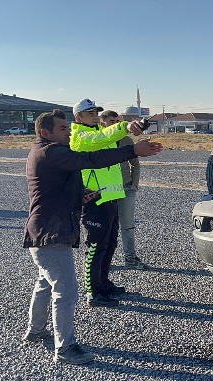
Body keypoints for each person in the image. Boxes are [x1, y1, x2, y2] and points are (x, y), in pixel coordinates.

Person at [23, 109, 162, 365]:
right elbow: (91, 159)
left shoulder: (44, 151)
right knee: (65, 291)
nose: (68, 132)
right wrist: (133, 150)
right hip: (52, 233)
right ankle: (65, 348)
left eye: (67, 127)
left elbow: (55, 187)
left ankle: (35, 330)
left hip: (44, 231)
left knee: (45, 281)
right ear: (46, 133)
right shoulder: (50, 152)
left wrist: (80, 194)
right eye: (63, 129)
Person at [70, 99, 146, 308]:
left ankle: (103, 283)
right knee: (95, 247)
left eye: (96, 112)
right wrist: (124, 126)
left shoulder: (95, 133)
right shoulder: (81, 136)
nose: (94, 115)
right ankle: (93, 292)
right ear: (78, 118)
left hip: (111, 197)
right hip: (95, 199)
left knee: (109, 244)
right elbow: (102, 137)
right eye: (89, 113)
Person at [99, 110, 149, 270]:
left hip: (126, 188)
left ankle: (130, 258)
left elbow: (135, 163)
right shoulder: (99, 142)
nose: (115, 124)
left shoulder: (126, 140)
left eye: (116, 121)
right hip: (106, 190)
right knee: (106, 226)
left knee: (127, 225)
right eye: (111, 122)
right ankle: (103, 260)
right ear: (102, 124)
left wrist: (134, 184)